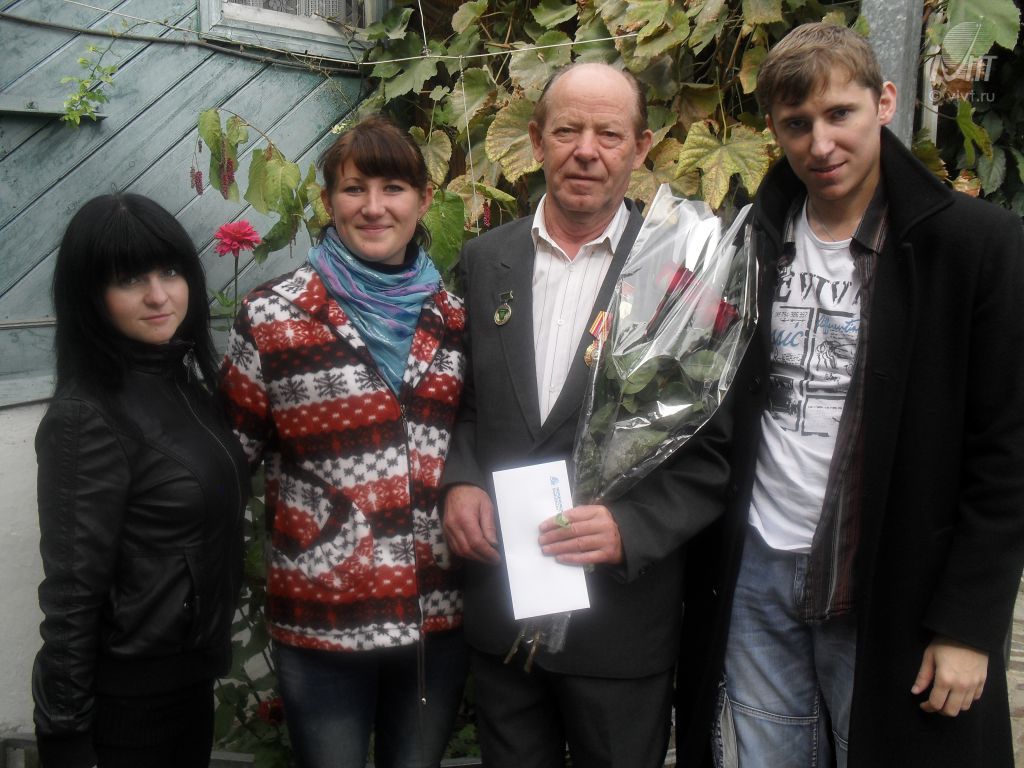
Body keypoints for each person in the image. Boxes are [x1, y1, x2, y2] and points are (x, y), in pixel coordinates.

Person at [675, 22, 1024, 768]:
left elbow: (1007, 450)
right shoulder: (748, 241)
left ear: (884, 102)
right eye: (797, 123)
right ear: (775, 130)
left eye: (841, 114)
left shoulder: (973, 247)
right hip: (760, 569)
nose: (821, 143)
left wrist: (969, 624)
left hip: (890, 579)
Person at [441, 62, 732, 768]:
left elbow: (713, 445)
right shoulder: (484, 260)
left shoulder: (682, 272)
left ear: (641, 147)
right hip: (504, 603)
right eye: (568, 130)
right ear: (537, 139)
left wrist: (633, 527)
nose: (586, 151)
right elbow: (462, 402)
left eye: (609, 134)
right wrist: (462, 479)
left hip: (619, 625)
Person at [219, 115, 468, 768]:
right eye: (355, 189)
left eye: (394, 188)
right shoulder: (273, 317)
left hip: (435, 613)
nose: (374, 207)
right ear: (329, 201)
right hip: (322, 617)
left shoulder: (454, 320)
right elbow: (226, 459)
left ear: (424, 201)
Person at [31, 193, 249, 768]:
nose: (158, 295)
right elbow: (71, 593)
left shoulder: (183, 385)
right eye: (130, 280)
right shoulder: (86, 416)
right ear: (90, 296)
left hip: (187, 685)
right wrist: (65, 733)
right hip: (126, 707)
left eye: (170, 272)